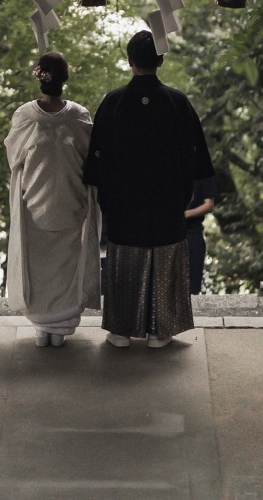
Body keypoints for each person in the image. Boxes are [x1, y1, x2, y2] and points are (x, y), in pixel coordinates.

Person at [83, 30, 215, 348]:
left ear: (129, 61)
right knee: (164, 258)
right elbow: (197, 156)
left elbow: (97, 155)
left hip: (124, 202)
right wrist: (184, 188)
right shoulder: (177, 102)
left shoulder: (113, 101)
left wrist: (105, 193)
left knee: (125, 259)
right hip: (167, 200)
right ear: (161, 60)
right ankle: (160, 330)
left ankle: (120, 329)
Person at [5, 51, 101, 347]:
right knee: (67, 265)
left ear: (40, 78)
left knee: (37, 267)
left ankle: (42, 327)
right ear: (64, 79)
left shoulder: (25, 116)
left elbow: (14, 158)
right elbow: (90, 156)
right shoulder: (79, 115)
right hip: (71, 201)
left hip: (35, 201)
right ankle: (60, 326)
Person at [185, 177, 217, 294]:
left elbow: (209, 205)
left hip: (193, 232)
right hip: (168, 234)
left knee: (192, 287)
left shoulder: (203, 175)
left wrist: (186, 214)